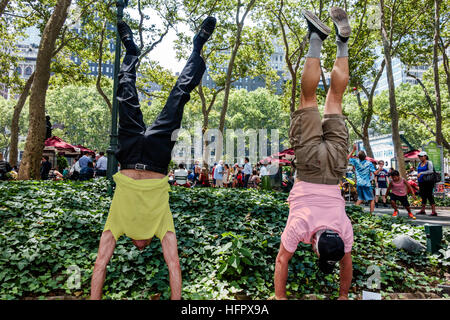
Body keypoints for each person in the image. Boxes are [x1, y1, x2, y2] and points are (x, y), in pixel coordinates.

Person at [90, 17, 216, 300]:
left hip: (131, 153)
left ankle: (131, 51)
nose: (140, 245)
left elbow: (100, 265)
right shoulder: (161, 226)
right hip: (157, 158)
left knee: (125, 95)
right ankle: (197, 48)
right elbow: (173, 265)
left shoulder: (118, 224)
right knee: (178, 97)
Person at [274, 8, 353, 300]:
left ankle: (342, 43)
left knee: (335, 98)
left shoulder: (345, 233)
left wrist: (344, 296)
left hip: (334, 169)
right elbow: (282, 260)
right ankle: (316, 38)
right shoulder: (300, 228)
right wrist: (280, 298)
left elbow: (347, 262)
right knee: (308, 98)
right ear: (315, 244)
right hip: (308, 169)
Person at [348, 145, 376, 214]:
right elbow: (375, 172)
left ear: (358, 156)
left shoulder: (356, 162)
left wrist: (353, 150)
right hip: (367, 184)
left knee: (360, 199)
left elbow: (348, 158)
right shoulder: (369, 163)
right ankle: (371, 214)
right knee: (372, 199)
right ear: (365, 156)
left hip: (359, 183)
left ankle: (353, 212)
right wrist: (380, 169)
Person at [416, 151, 437, 216]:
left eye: (421, 156)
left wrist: (422, 173)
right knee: (423, 195)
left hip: (428, 182)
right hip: (421, 181)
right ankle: (423, 210)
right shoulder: (419, 163)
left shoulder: (429, 162)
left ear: (425, 156)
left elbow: (430, 171)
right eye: (419, 156)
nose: (420, 158)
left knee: (429, 195)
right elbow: (418, 171)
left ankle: (434, 211)